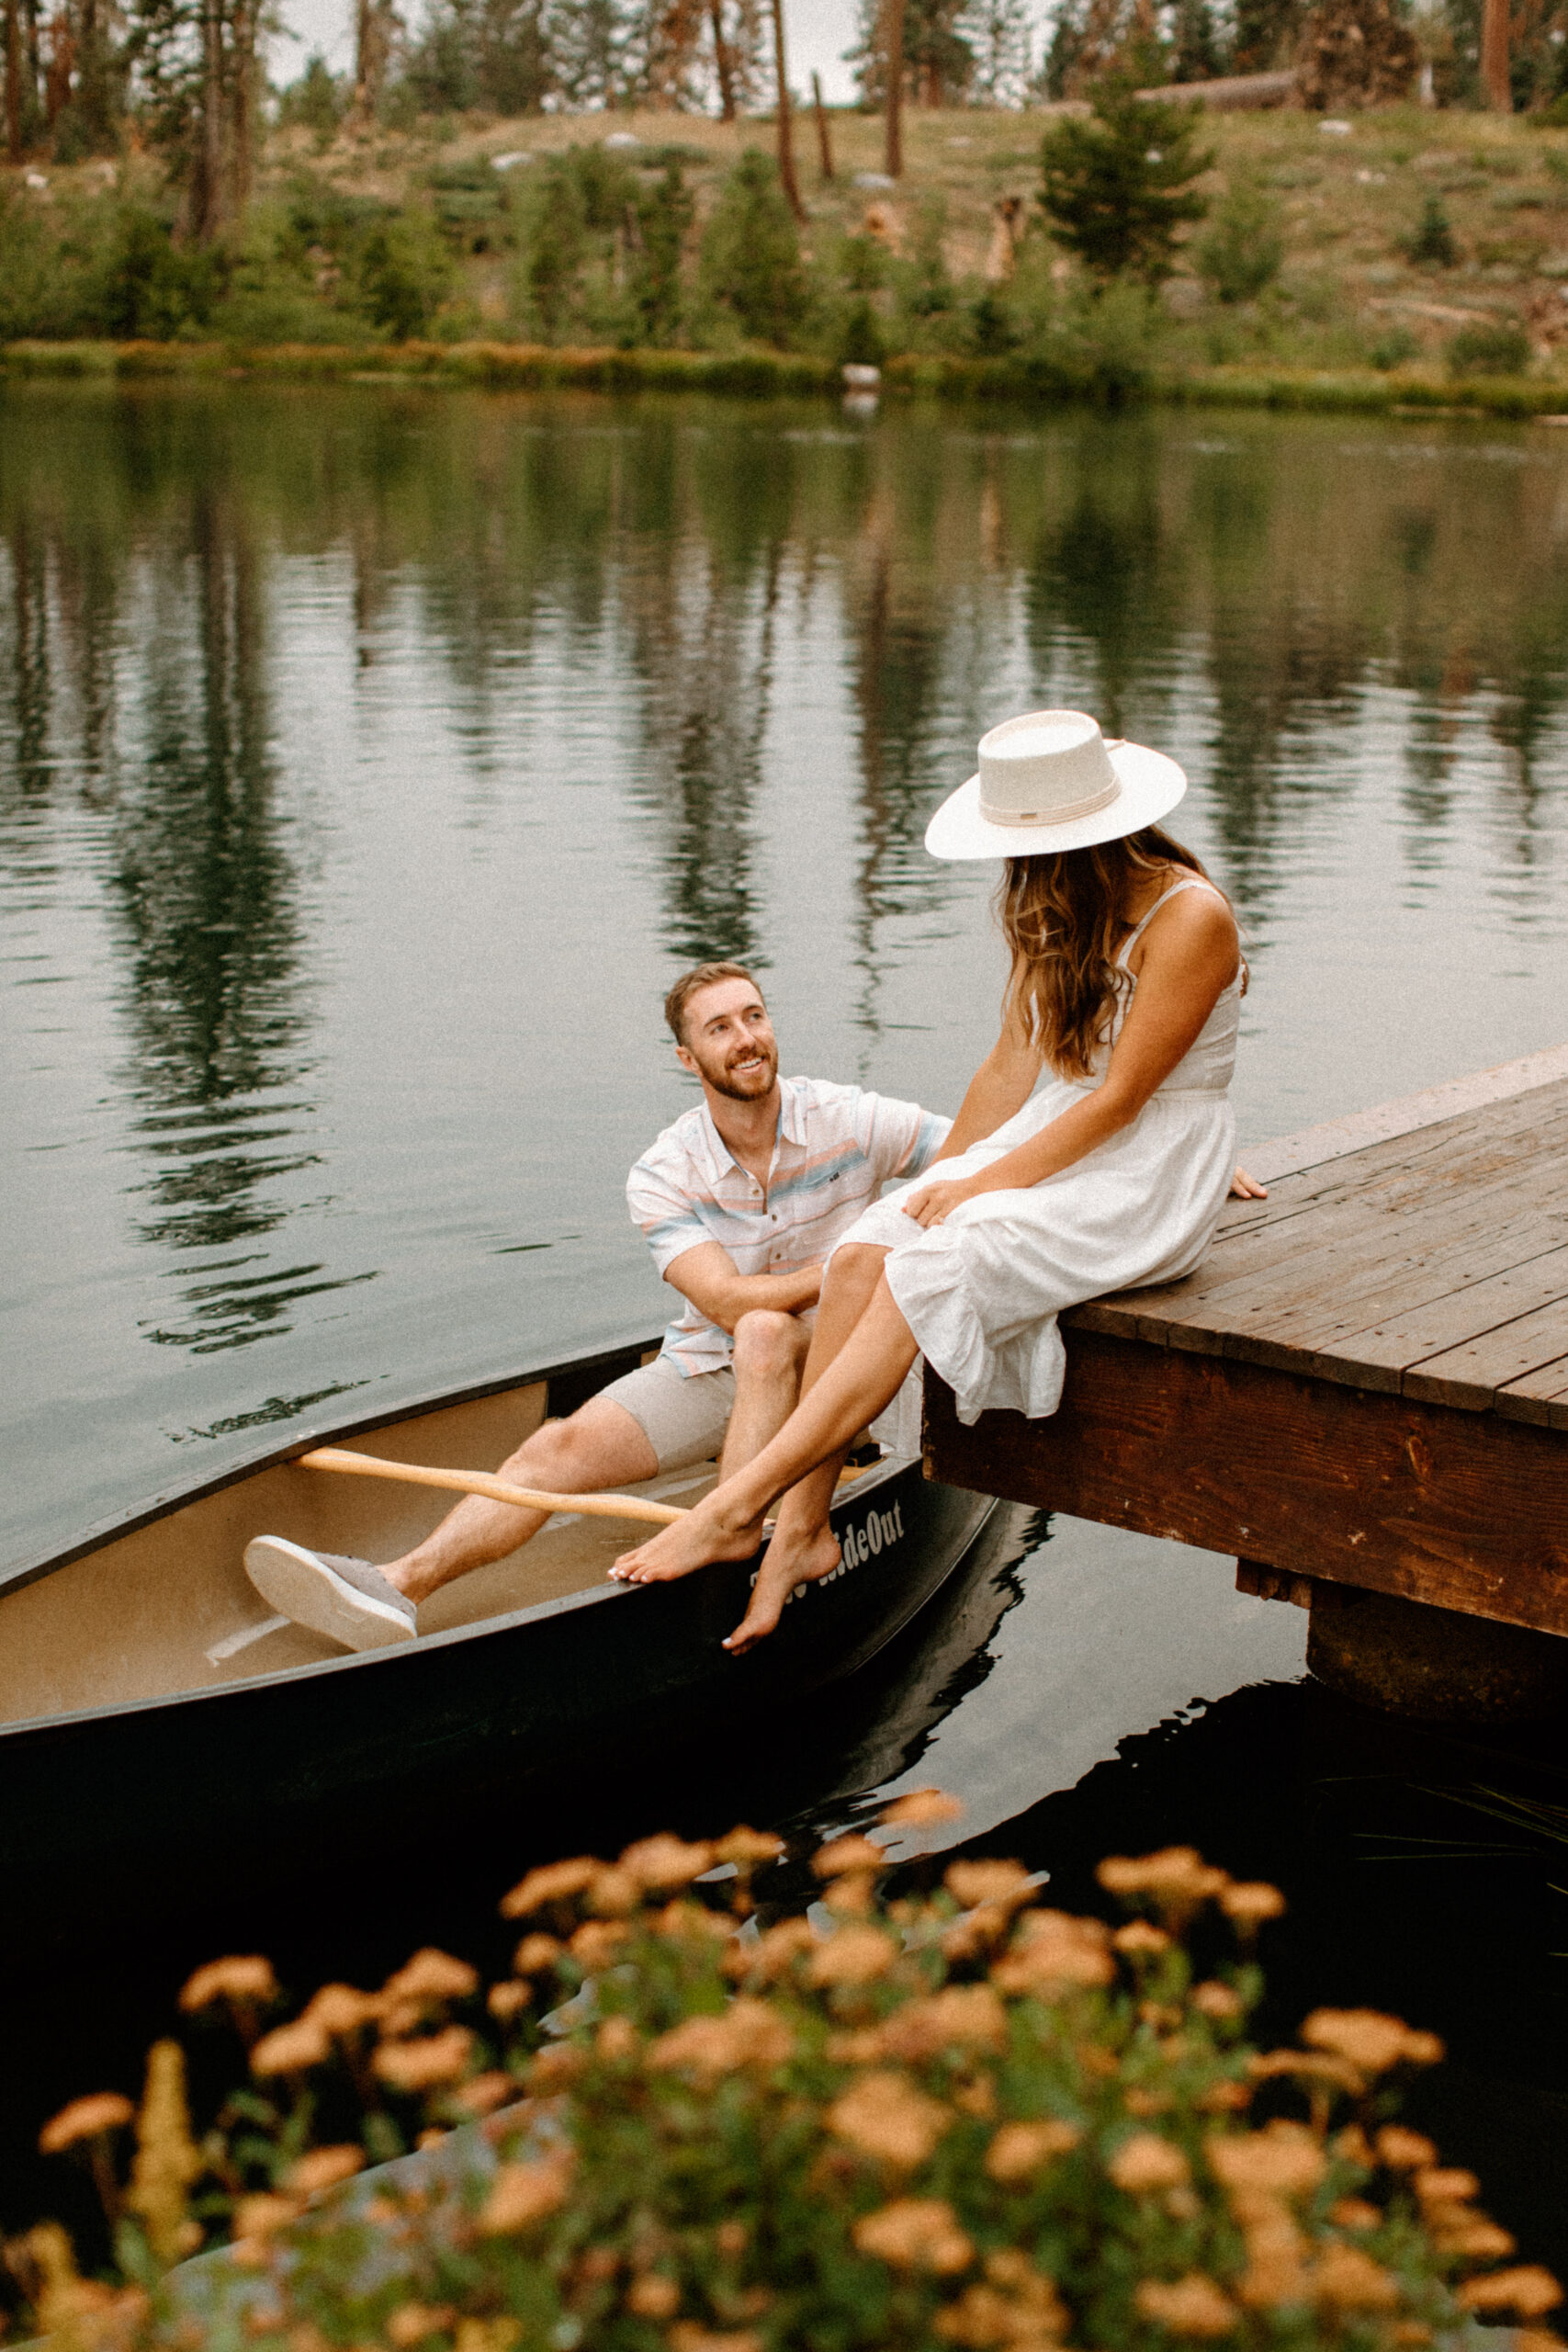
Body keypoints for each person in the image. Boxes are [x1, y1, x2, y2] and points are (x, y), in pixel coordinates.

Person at [610, 710, 1253, 1655]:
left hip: (1146, 1171)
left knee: (943, 1261)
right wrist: (950, 1171)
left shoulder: (1190, 914)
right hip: (1066, 1136)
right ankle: (804, 1527)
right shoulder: (1054, 906)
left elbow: (1122, 1101)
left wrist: (985, 1184)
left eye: (1030, 847)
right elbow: (1008, 1069)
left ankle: (736, 1506)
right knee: (870, 1246)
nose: (1017, 868)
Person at [240, 961, 952, 1652]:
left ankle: (725, 1529)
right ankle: (397, 1585)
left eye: (753, 1017)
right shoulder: (664, 1171)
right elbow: (726, 1304)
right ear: (686, 1055)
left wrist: (928, 1244)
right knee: (557, 1445)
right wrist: (851, 1266)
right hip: (726, 1362)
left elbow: (981, 1156)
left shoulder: (851, 1119)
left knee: (769, 1330)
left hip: (856, 1368)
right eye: (718, 1029)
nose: (745, 1040)